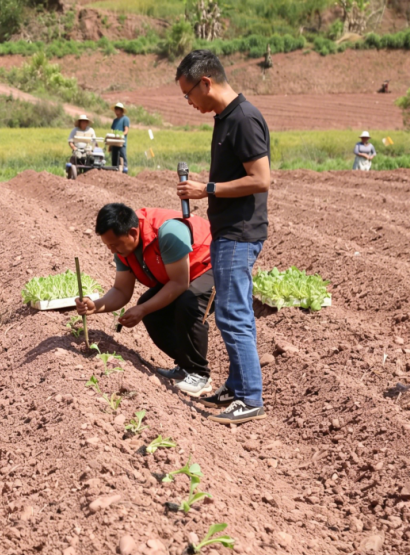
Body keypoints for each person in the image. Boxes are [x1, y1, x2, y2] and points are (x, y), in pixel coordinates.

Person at [175, 49, 271, 425]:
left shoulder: (245, 119)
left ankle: (249, 397)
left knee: (233, 315)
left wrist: (207, 190)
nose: (189, 102)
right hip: (227, 230)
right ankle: (235, 385)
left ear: (206, 82)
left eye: (189, 94)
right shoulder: (225, 117)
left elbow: (261, 179)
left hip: (239, 232)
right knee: (231, 311)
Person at [76, 204, 215, 396]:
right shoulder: (124, 249)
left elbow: (179, 284)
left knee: (189, 304)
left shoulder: (167, 233)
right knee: (153, 313)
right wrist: (95, 305)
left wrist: (142, 309)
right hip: (182, 273)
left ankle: (200, 375)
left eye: (114, 245)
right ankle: (185, 366)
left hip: (212, 263)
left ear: (132, 233)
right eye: (108, 245)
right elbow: (121, 290)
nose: (111, 251)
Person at [110, 102, 130, 173]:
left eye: (118, 109)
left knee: (123, 157)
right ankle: (115, 172)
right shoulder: (115, 121)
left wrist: (120, 135)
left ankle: (125, 172)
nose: (117, 111)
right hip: (114, 143)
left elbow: (126, 131)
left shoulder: (125, 119)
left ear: (121, 110)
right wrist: (110, 144)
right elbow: (112, 132)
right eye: (116, 110)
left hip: (121, 142)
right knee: (114, 160)